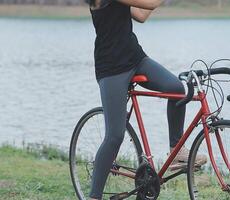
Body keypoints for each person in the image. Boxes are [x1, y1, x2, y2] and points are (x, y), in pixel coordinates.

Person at [87, 0, 207, 199]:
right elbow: (149, 4)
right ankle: (93, 196)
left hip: (135, 58)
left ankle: (176, 150)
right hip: (111, 68)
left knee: (176, 88)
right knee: (115, 135)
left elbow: (141, 15)